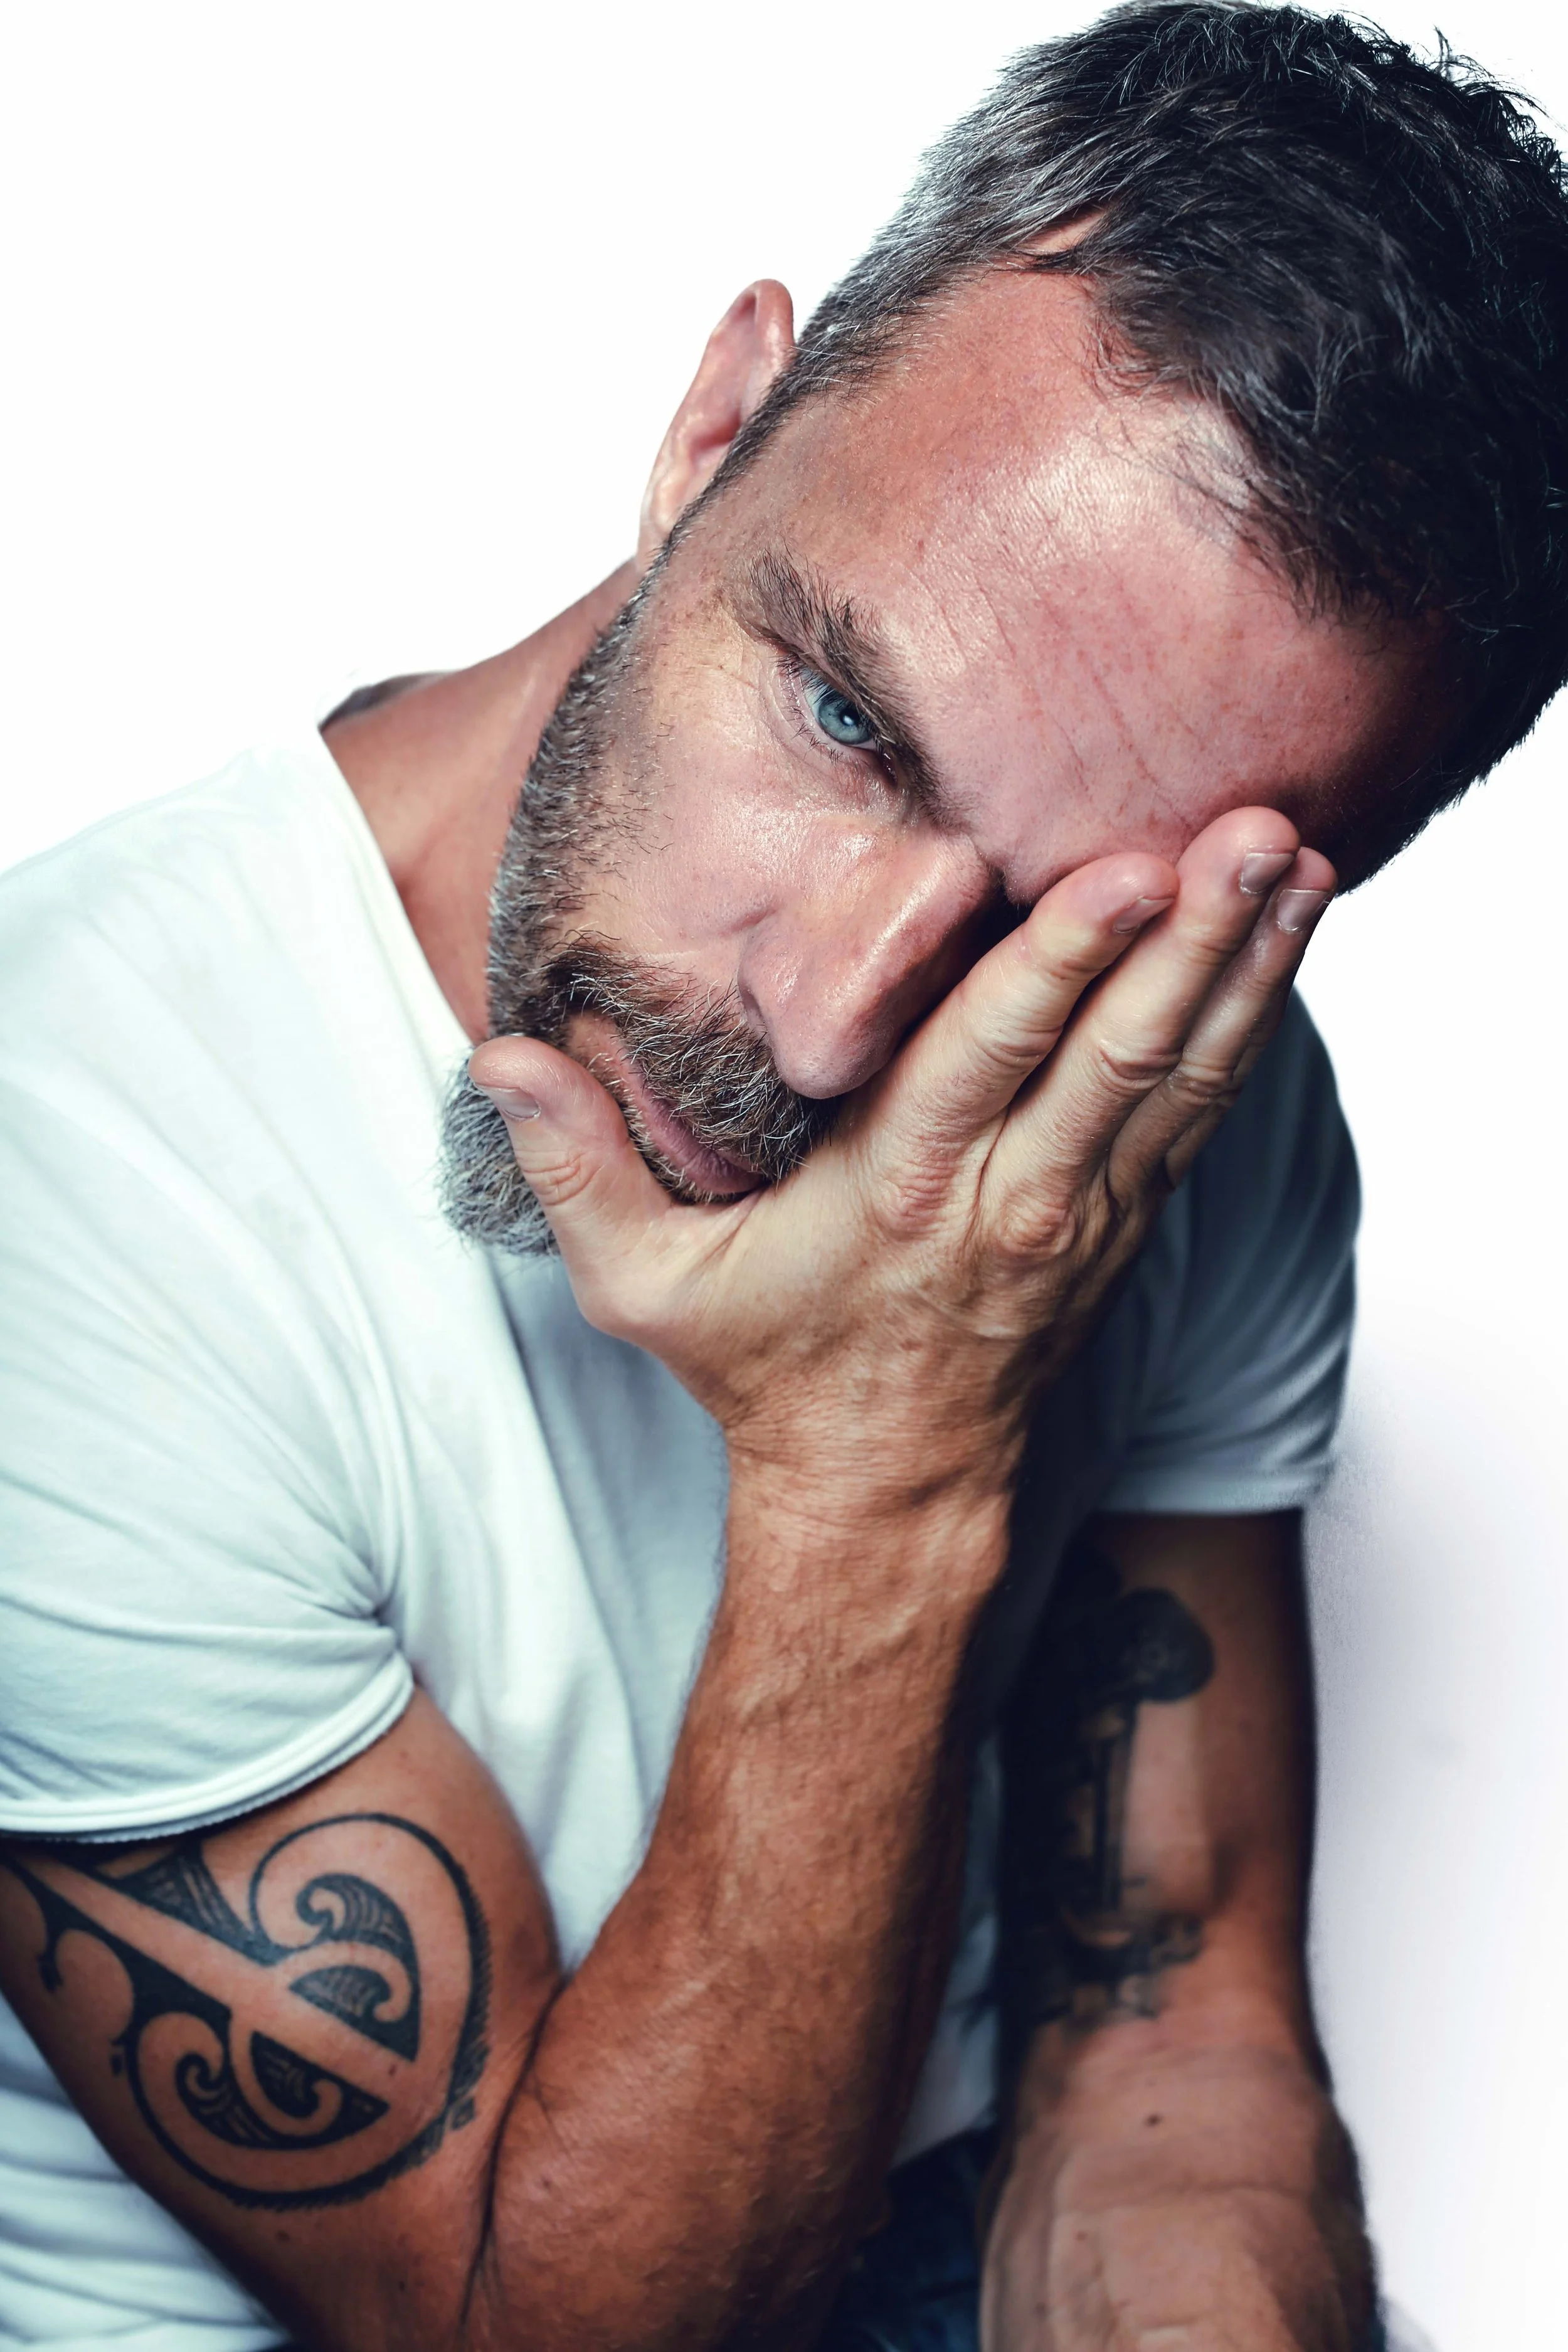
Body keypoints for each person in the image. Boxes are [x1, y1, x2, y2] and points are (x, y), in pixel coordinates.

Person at [1, 4, 1564, 2347]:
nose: (830, 1021)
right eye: (845, 720)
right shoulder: (73, 1151)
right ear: (714, 427)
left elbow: (1166, 2030)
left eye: (1066, 929)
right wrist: (877, 1475)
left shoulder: (1193, 1099)